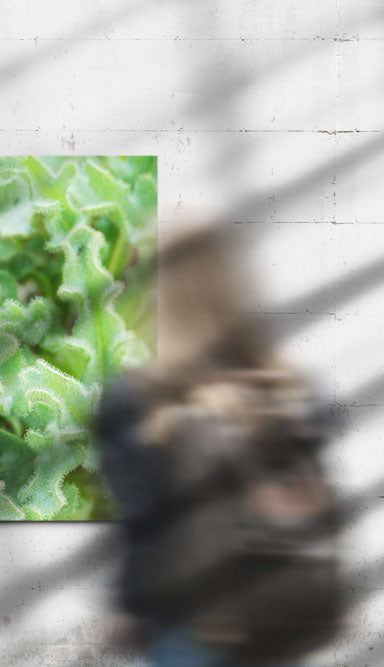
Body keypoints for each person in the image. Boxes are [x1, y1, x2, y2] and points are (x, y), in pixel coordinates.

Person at [94, 227, 342, 666]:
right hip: (283, 616)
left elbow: (141, 527)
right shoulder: (295, 390)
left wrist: (130, 608)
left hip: (189, 626)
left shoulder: (138, 402)